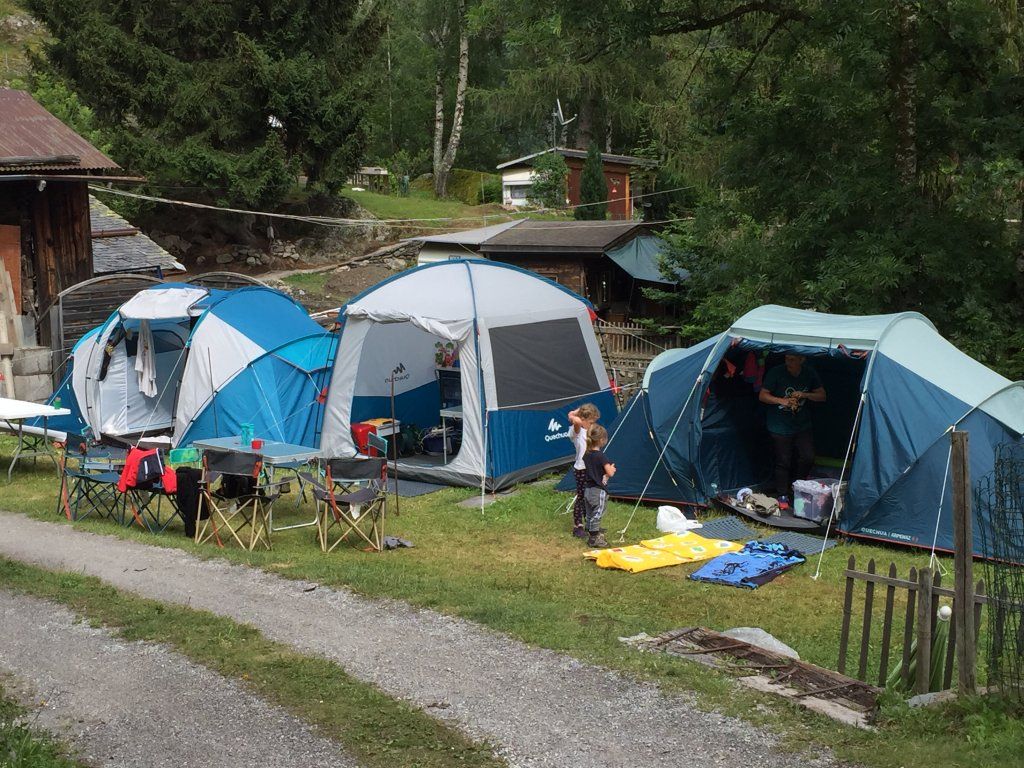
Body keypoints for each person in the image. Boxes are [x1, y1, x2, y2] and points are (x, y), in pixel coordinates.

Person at [758, 353, 826, 497]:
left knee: (808, 457)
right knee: (783, 461)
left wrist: (805, 395)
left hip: (802, 424)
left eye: (792, 360)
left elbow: (822, 396)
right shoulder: (776, 372)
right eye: (786, 358)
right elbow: (763, 395)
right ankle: (782, 494)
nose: (788, 362)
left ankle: (797, 487)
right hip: (779, 425)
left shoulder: (809, 373)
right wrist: (781, 401)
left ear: (802, 360)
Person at [567, 403, 601, 538]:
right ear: (583, 420)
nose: (593, 424)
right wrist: (575, 413)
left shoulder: (589, 431)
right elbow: (574, 419)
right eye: (591, 421)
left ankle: (590, 524)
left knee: (591, 497)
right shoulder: (577, 431)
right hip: (581, 469)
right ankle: (577, 526)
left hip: (591, 469)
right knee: (581, 498)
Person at [582, 423, 616, 548]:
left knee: (590, 512)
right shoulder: (601, 456)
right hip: (598, 490)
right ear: (601, 440)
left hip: (588, 489)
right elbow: (609, 472)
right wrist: (611, 468)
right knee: (598, 512)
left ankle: (590, 529)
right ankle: (594, 538)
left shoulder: (586, 455)